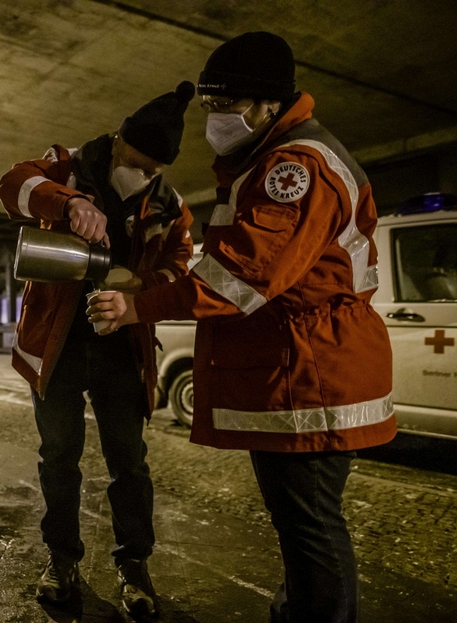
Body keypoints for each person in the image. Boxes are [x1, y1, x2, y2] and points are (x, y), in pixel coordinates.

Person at [88, 32, 396, 623]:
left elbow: (238, 278)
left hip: (310, 375)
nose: (215, 119)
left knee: (310, 528)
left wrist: (137, 306)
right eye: (209, 105)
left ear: (266, 104)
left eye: (225, 105)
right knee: (300, 525)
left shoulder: (295, 169)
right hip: (297, 366)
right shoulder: (269, 160)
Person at [0, 82, 196, 617]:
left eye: (156, 168)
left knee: (129, 464)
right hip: (58, 346)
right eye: (138, 160)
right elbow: (12, 185)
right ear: (118, 140)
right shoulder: (64, 168)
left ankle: (135, 567)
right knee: (58, 457)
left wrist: (141, 281)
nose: (145, 173)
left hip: (121, 348)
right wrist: (70, 202)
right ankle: (62, 561)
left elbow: (181, 259)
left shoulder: (168, 204)